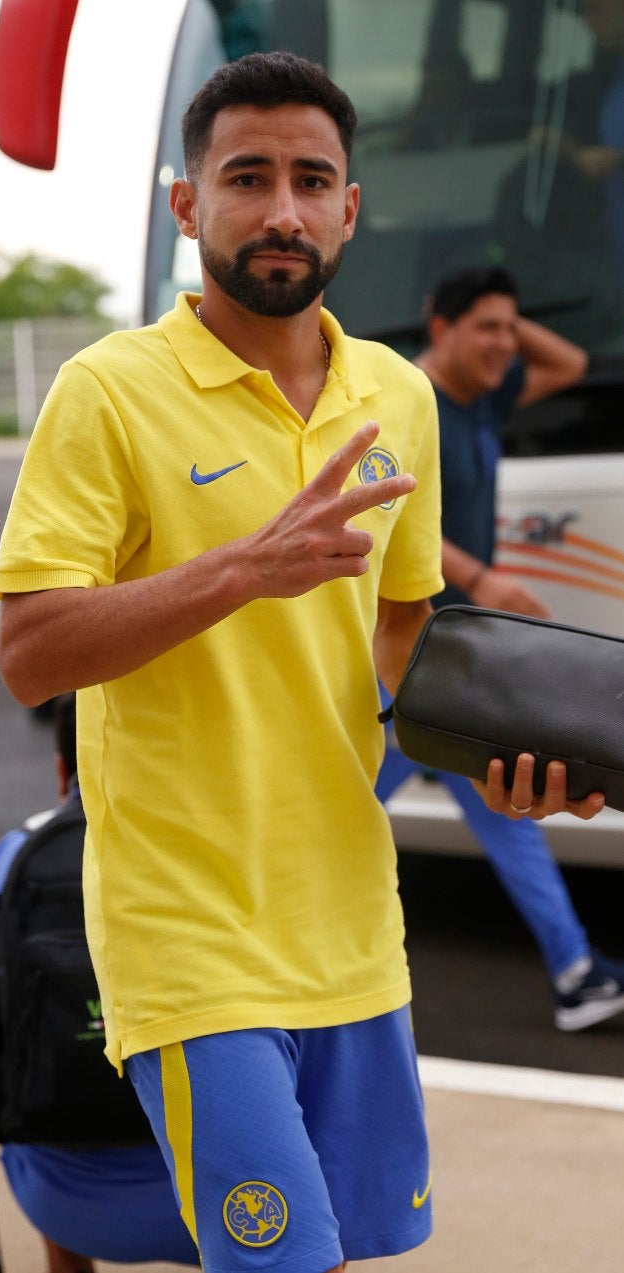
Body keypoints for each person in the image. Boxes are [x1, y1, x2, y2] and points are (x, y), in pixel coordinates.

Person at [0, 53, 604, 1271]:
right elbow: (28, 650)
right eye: (247, 176)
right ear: (187, 203)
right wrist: (236, 569)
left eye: (310, 179)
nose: (281, 208)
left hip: (351, 923)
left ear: (349, 208)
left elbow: (405, 631)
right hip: (188, 933)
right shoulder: (108, 391)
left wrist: (524, 751)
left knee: (356, 1250)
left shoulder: (398, 396)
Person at [376, 264, 624, 1033]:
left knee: (504, 810)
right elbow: (388, 507)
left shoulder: (484, 394)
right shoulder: (403, 403)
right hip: (402, 654)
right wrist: (481, 575)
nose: (505, 345)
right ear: (439, 328)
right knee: (336, 803)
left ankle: (576, 969)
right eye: (484, 327)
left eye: (510, 330)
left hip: (454, 661)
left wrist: (503, 325)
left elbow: (571, 366)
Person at [0, 693, 199, 1273]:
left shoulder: (11, 856)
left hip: (62, 1199)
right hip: (207, 1201)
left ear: (63, 771)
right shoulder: (202, 846)